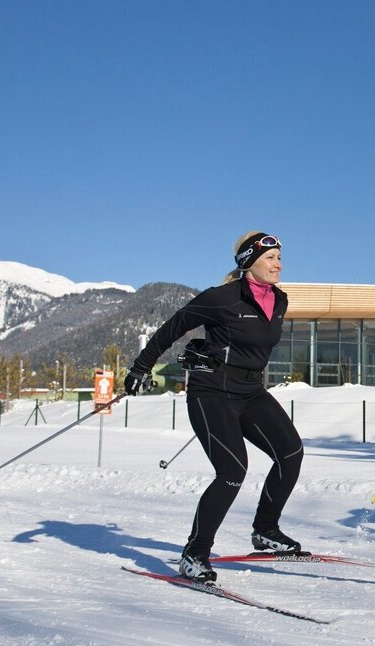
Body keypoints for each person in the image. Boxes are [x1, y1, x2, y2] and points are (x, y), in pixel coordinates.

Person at [124, 231, 304, 582]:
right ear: (248, 262)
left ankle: (266, 529)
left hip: (250, 390)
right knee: (233, 471)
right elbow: (172, 327)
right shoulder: (221, 298)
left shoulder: (279, 300)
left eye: (280, 257)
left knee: (291, 451)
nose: (278, 263)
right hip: (212, 392)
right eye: (271, 258)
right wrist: (141, 367)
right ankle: (195, 553)